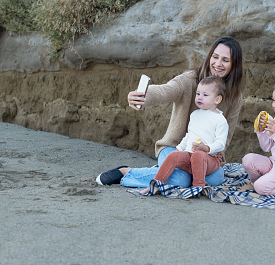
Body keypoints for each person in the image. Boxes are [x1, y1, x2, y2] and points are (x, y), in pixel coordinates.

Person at [96, 36, 243, 188]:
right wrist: (143, 94)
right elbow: (166, 90)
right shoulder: (190, 80)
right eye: (215, 57)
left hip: (206, 155)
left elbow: (225, 139)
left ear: (234, 65)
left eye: (225, 60)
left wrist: (210, 156)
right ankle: (126, 172)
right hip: (175, 148)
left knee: (215, 179)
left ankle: (163, 171)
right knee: (182, 180)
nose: (218, 64)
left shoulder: (234, 97)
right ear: (209, 57)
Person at [140, 75, 228, 194]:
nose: (200, 97)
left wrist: (206, 148)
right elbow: (189, 135)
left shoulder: (220, 120)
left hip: (209, 159)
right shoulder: (195, 114)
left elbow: (221, 144)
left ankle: (198, 187)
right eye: (198, 94)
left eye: (205, 95)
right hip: (190, 155)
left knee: (199, 155)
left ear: (217, 99)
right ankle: (156, 184)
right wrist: (179, 149)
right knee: (172, 156)